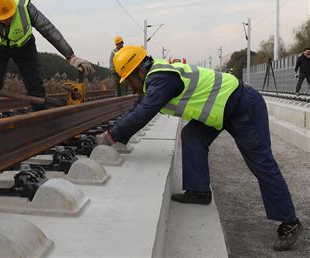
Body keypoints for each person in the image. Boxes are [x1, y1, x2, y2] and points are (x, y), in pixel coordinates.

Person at [95, 45, 303, 251]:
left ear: (139, 71)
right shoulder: (155, 79)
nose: (131, 87)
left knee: (261, 164)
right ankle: (199, 191)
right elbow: (138, 107)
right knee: (192, 136)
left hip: (242, 105)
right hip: (221, 109)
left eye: (129, 80)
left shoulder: (161, 80)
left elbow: (145, 111)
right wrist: (115, 132)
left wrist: (111, 136)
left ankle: (290, 222)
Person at [0, 0, 94, 119]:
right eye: (4, 18)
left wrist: (70, 56)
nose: (9, 19)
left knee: (34, 82)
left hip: (24, 46)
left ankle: (41, 117)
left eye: (10, 15)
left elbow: (48, 29)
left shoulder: (24, 7)